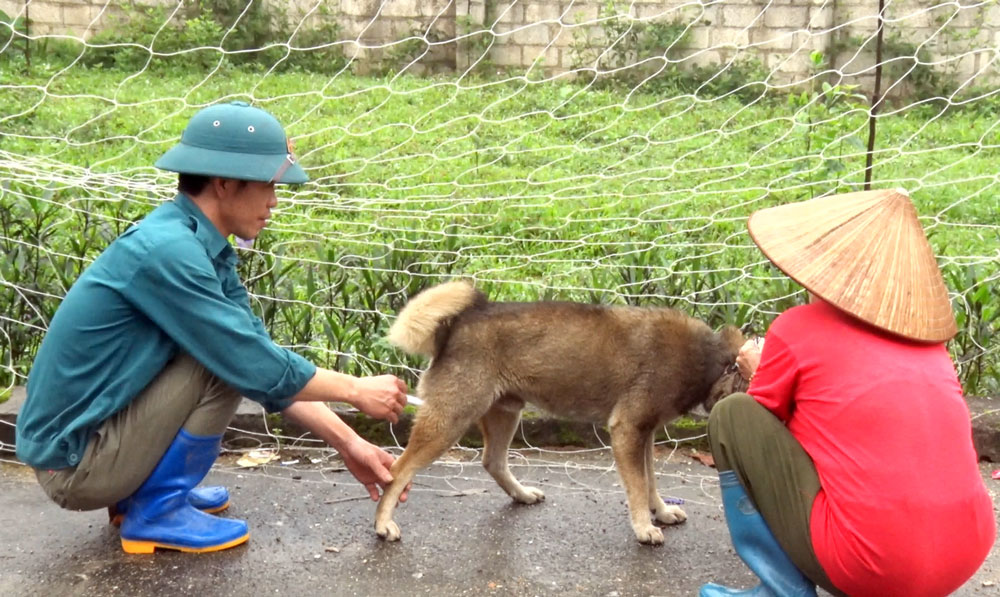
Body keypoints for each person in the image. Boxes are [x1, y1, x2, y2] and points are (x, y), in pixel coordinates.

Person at [15, 100, 410, 554]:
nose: (274, 201)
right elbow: (250, 363)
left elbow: (260, 359)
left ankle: (150, 494)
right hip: (74, 468)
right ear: (224, 184)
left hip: (90, 445)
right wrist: (356, 390)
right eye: (267, 186)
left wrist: (349, 443)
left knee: (227, 353)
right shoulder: (169, 252)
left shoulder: (197, 244)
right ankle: (157, 512)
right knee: (220, 360)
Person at [701, 189, 995, 597]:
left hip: (874, 565)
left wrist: (758, 369)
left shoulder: (798, 327)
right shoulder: (932, 346)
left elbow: (762, 425)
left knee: (733, 415)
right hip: (963, 555)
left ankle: (781, 589)